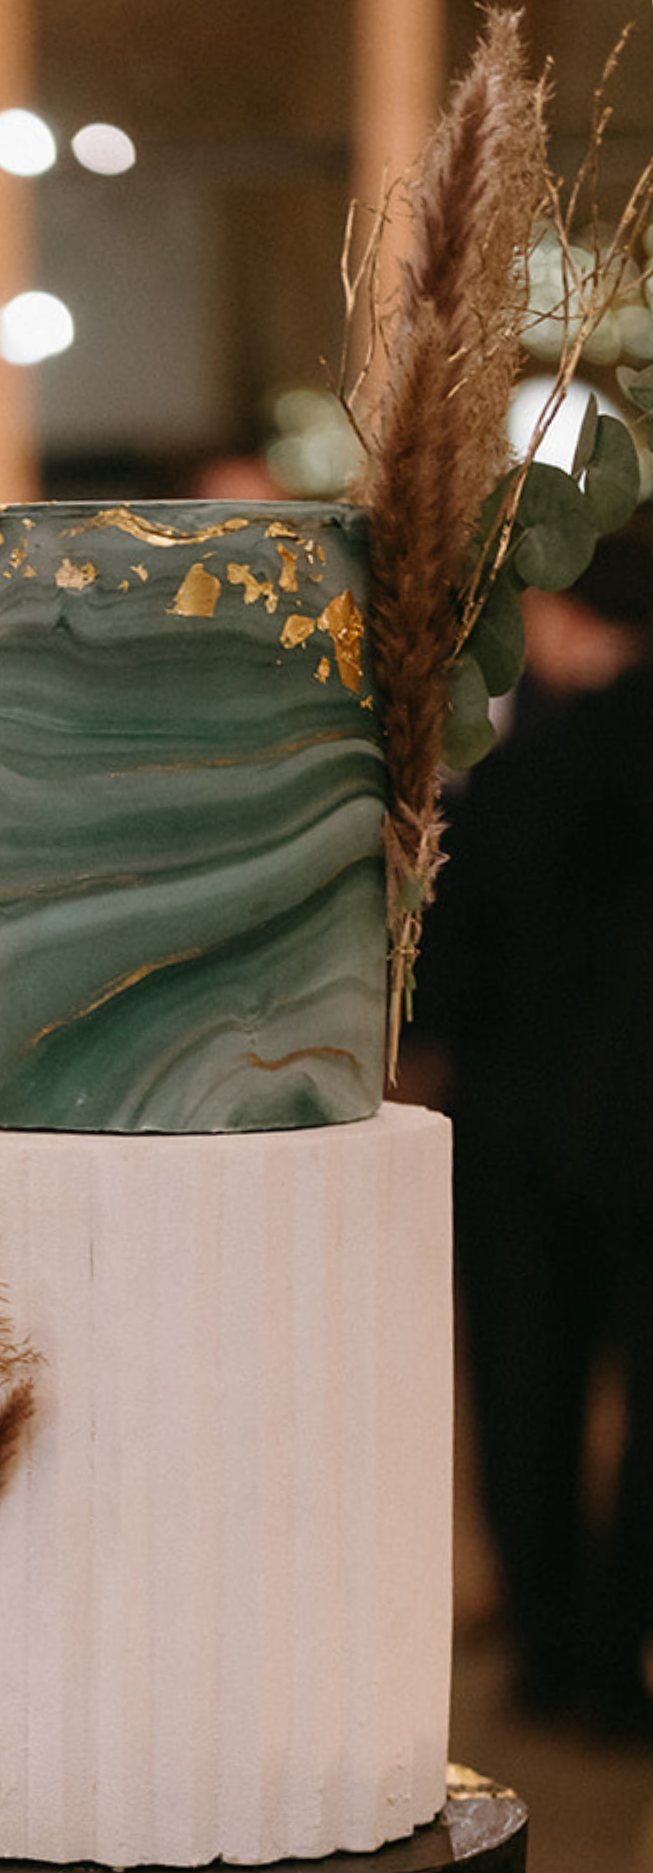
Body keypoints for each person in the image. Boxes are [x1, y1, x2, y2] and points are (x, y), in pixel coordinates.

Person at [414, 516, 653, 1740]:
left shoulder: (529, 765)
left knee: (524, 1388)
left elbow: (445, 967)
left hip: (519, 1122)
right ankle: (614, 1639)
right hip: (624, 1130)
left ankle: (558, 1646)